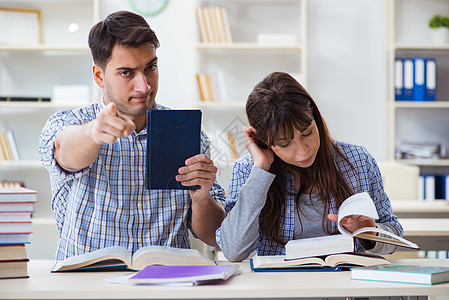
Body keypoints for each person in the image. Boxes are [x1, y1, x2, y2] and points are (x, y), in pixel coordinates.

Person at [39, 11, 226, 260]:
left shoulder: (187, 133)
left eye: (151, 68)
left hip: (167, 281)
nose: (144, 86)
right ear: (99, 76)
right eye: (127, 73)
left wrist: (202, 197)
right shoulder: (71, 123)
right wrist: (93, 133)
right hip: (88, 284)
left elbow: (214, 236)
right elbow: (64, 152)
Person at [216, 72, 403, 262]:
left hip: (345, 287)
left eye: (307, 133)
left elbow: (395, 236)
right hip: (279, 288)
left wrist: (369, 233)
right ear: (263, 142)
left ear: (315, 117)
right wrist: (261, 169)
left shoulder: (358, 160)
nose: (303, 151)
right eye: (285, 144)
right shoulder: (248, 170)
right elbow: (233, 250)